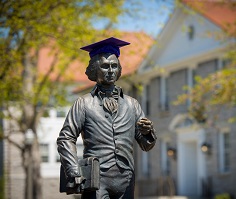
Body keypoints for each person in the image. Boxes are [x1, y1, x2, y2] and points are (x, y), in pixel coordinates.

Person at [57, 37, 157, 199]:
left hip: (126, 177)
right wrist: (73, 169)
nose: (110, 70)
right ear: (94, 70)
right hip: (96, 177)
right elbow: (65, 138)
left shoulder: (133, 104)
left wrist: (147, 133)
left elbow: (146, 146)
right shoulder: (83, 103)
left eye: (114, 66)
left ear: (118, 70)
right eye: (105, 66)